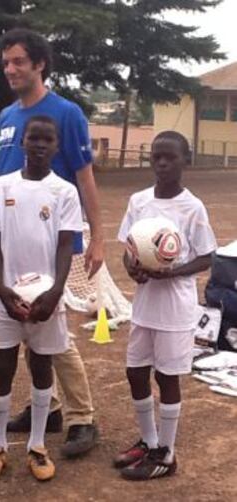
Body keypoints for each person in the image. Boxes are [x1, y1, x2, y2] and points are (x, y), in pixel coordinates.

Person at [0, 27, 104, 458]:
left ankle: (81, 418)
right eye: (6, 62)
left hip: (57, 243)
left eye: (18, 61)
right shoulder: (6, 116)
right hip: (14, 245)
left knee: (56, 330)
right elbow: (0, 176)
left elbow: (85, 176)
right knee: (24, 330)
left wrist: (98, 238)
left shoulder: (67, 113)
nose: (10, 69)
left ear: (40, 64)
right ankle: (49, 408)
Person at [0, 115, 83, 482]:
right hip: (7, 297)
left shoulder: (64, 191)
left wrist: (54, 293)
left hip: (45, 299)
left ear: (56, 146)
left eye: (47, 139)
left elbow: (66, 244)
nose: (40, 144)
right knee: (3, 366)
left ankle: (37, 446)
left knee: (41, 367)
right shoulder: (3, 186)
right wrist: (2, 290)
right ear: (22, 142)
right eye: (33, 138)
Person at [114, 131, 217, 480]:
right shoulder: (139, 201)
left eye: (169, 157)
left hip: (175, 307)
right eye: (156, 157)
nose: (161, 163)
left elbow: (206, 257)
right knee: (135, 372)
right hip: (144, 304)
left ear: (184, 160)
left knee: (167, 376)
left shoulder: (192, 207)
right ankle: (148, 441)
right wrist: (135, 270)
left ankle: (167, 455)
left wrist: (170, 271)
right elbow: (128, 248)